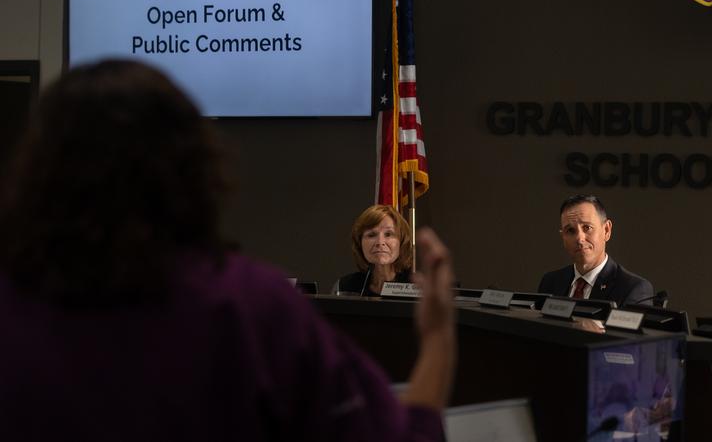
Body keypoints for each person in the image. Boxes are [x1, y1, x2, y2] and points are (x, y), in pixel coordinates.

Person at [0, 59, 456, 441]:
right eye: (372, 235)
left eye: (389, 236)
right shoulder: (252, 308)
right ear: (192, 166)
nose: (381, 243)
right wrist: (437, 339)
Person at [538, 194, 654, 307]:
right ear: (563, 236)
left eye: (587, 228)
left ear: (607, 231)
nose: (580, 238)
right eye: (570, 231)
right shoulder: (550, 282)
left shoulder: (632, 289)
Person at [337, 204, 413, 296]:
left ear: (402, 241)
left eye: (388, 234)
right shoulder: (344, 287)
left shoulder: (418, 286)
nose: (380, 242)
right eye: (371, 235)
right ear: (359, 243)